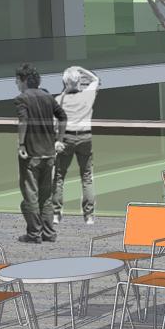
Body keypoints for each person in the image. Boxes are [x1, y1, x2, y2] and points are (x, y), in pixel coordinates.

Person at [13, 63, 66, 243]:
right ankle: (49, 233)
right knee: (46, 197)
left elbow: (23, 121)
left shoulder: (22, 98)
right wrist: (59, 139)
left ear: (24, 80)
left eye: (17, 80)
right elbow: (63, 117)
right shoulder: (47, 97)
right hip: (49, 154)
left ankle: (34, 234)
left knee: (30, 196)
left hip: (31, 155)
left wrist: (21, 144)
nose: (16, 84)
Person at [53, 65, 100, 226]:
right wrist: (81, 69)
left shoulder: (59, 100)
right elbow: (95, 79)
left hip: (66, 138)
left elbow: (55, 124)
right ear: (79, 81)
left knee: (59, 177)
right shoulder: (87, 96)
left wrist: (56, 141)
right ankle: (89, 216)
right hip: (85, 138)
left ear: (65, 82)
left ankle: (56, 214)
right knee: (86, 178)